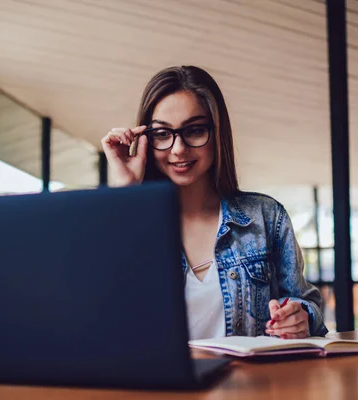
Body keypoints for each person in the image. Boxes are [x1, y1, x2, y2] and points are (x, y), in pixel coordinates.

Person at [101, 65, 328, 340]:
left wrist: (301, 317)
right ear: (146, 139)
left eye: (194, 130)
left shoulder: (266, 217)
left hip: (253, 383)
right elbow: (100, 314)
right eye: (162, 134)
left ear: (217, 133)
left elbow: (306, 305)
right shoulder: (132, 225)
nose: (178, 148)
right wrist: (125, 194)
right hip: (161, 384)